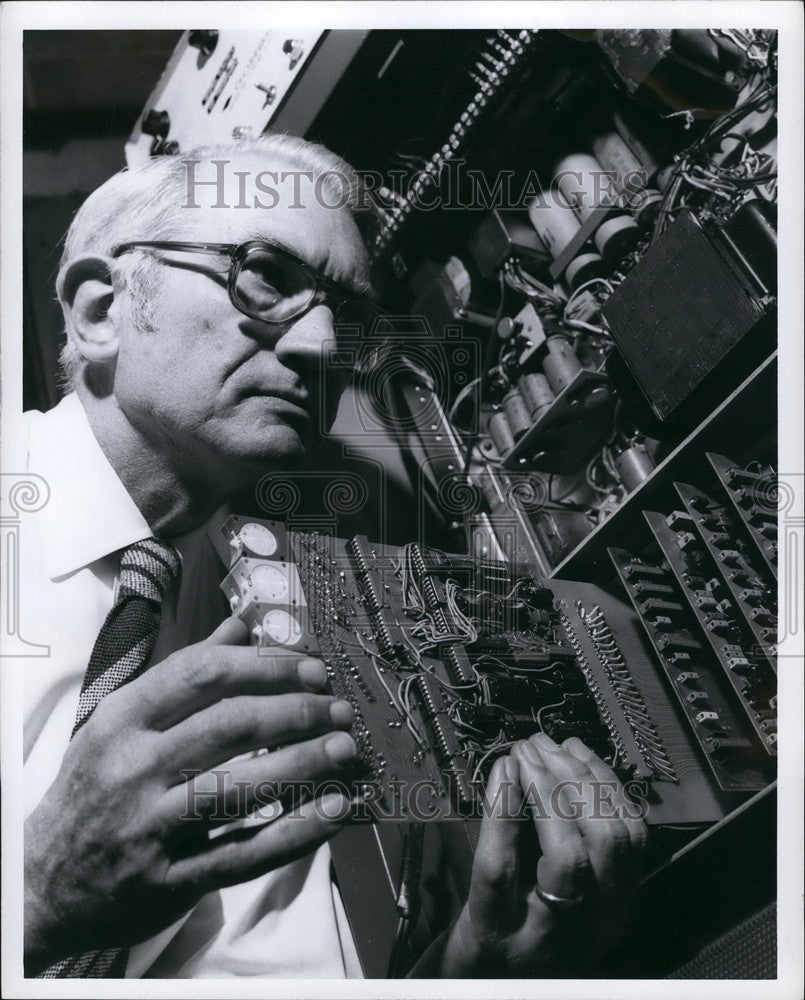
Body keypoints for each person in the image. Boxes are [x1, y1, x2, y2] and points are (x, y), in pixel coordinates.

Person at [21, 133, 646, 979]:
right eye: (268, 276)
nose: (322, 349)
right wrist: (33, 900)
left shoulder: (291, 624)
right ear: (101, 310)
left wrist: (467, 972)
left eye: (347, 316)